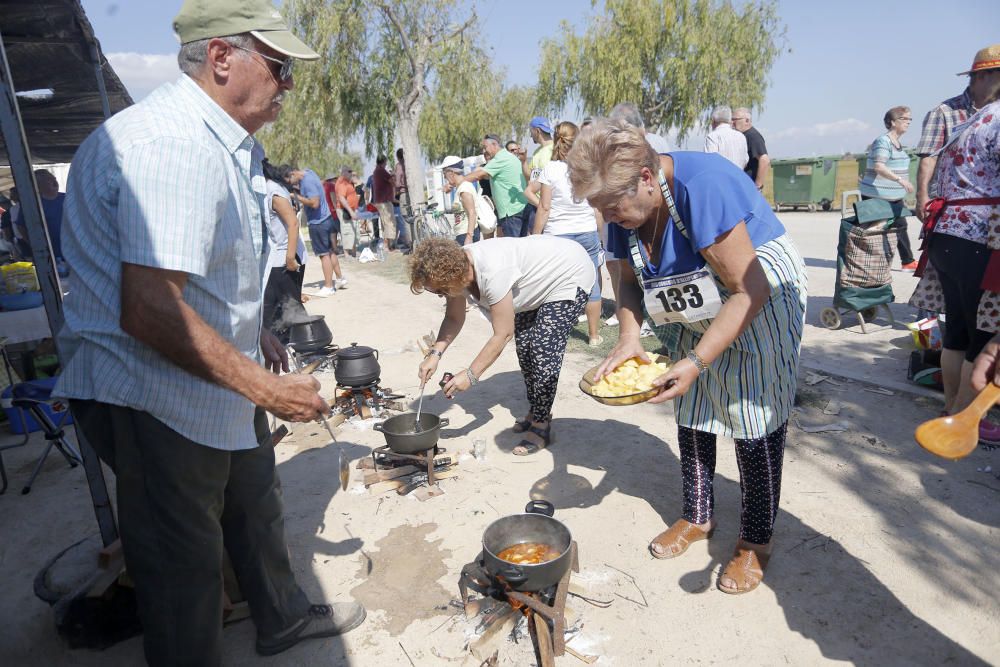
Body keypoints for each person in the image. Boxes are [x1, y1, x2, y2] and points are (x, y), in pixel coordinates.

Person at [53, 2, 366, 664]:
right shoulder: (173, 146)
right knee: (182, 568)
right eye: (279, 67)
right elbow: (151, 311)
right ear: (223, 58)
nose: (288, 85)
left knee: (255, 503)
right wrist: (268, 388)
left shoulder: (219, 141)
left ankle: (279, 614)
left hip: (209, 379)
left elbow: (209, 270)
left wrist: (255, 339)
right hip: (155, 390)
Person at [567, 119, 807, 595]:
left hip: (756, 286)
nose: (610, 219)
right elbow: (629, 280)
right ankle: (697, 516)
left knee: (752, 415)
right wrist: (629, 338)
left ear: (646, 178)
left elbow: (748, 288)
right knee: (693, 406)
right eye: (601, 212)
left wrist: (698, 360)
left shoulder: (704, 184)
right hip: (690, 293)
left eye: (613, 209)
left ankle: (755, 540)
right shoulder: (622, 210)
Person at [412, 236, 595, 455]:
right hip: (537, 283)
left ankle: (541, 425)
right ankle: (537, 410)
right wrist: (434, 354)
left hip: (568, 272)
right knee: (525, 348)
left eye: (439, 290)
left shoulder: (492, 272)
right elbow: (453, 318)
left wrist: (470, 375)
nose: (439, 295)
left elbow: (503, 333)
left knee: (542, 349)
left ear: (452, 276)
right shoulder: (456, 269)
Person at [910, 75, 1000, 446]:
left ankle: (951, 410)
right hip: (978, 235)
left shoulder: (968, 118)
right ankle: (966, 421)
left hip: (947, 231)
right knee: (982, 335)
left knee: (958, 332)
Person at [525, 121, 604, 346]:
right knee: (592, 284)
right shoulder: (588, 168)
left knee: (556, 284)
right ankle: (594, 335)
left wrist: (536, 235)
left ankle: (556, 330)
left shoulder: (551, 169)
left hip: (558, 235)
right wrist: (601, 235)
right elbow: (596, 206)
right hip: (586, 230)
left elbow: (545, 207)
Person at [915, 44, 1000, 221]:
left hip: (993, 209)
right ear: (981, 76)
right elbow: (929, 157)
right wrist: (922, 196)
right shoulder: (945, 112)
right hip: (953, 211)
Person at [858, 106, 918, 270]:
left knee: (900, 225)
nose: (908, 122)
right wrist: (900, 180)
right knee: (876, 230)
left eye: (909, 119)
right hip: (876, 194)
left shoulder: (897, 142)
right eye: (904, 119)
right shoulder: (883, 141)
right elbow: (879, 166)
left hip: (892, 195)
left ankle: (908, 261)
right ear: (892, 122)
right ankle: (870, 264)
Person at [262, 160, 308, 332]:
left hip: (283, 259)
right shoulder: (270, 189)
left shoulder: (273, 191)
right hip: (277, 259)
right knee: (273, 313)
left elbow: (293, 224)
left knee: (293, 311)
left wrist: (289, 258)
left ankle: (312, 346)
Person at [290, 166, 346, 295]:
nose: (291, 183)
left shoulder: (306, 181)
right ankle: (339, 278)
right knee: (331, 252)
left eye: (290, 179)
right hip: (327, 219)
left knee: (324, 254)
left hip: (318, 222)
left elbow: (314, 203)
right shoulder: (310, 173)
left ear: (293, 173)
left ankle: (328, 286)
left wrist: (295, 197)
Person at [464, 134, 529, 238]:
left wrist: (457, 182)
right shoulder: (510, 157)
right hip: (521, 208)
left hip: (511, 213)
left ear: (494, 144)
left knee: (512, 249)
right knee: (522, 248)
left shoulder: (499, 159)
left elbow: (478, 175)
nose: (484, 151)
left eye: (485, 147)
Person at [440, 156, 495, 245]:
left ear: (451, 173)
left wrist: (469, 237)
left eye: (444, 173)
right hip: (463, 233)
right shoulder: (461, 187)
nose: (444, 177)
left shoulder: (464, 189)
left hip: (466, 234)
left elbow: (472, 213)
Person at [13, 168, 66, 260]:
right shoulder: (32, 204)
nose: (54, 181)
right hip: (53, 255)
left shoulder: (67, 197)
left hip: (75, 248)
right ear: (38, 185)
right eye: (49, 179)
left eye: (54, 178)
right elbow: (21, 226)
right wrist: (35, 245)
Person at [732, 107, 771, 192]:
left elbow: (764, 160)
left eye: (735, 119)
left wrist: (757, 187)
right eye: (731, 119)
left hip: (749, 188)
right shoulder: (743, 136)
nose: (732, 122)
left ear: (747, 120)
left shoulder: (753, 136)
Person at [371, 155, 398, 253]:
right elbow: (392, 181)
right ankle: (387, 246)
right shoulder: (381, 170)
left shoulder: (376, 171)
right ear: (384, 161)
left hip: (380, 201)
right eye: (386, 162)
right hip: (384, 201)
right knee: (389, 222)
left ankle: (387, 245)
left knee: (385, 223)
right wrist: (394, 175)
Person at [334, 167, 360, 256]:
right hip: (345, 210)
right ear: (343, 172)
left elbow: (357, 181)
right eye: (349, 172)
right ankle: (347, 254)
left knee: (353, 231)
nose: (351, 174)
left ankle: (353, 253)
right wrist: (351, 211)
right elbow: (341, 198)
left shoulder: (347, 182)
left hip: (350, 210)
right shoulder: (342, 183)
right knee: (347, 231)